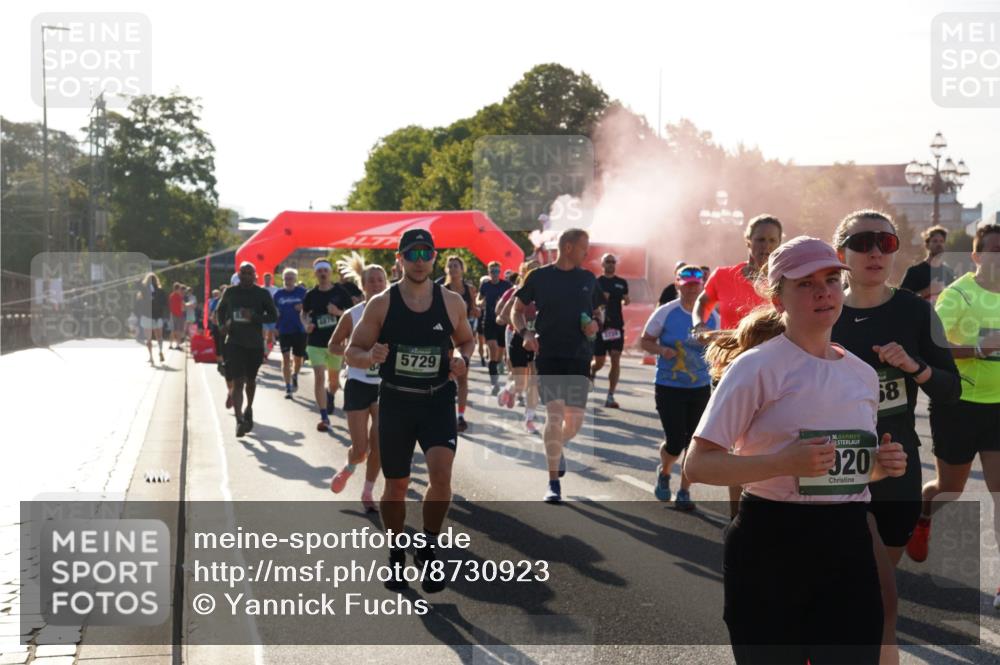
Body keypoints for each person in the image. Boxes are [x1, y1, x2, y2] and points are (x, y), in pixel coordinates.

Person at [684, 236, 907, 665]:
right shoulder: (756, 366)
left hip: (847, 543)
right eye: (805, 283)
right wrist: (782, 463)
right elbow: (698, 465)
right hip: (771, 544)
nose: (823, 291)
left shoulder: (862, 374)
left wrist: (881, 465)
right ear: (777, 298)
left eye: (831, 279)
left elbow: (849, 473)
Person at [830, 210, 961, 660]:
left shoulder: (916, 312)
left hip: (896, 465)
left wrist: (914, 367)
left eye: (885, 243)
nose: (874, 252)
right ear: (841, 254)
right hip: (832, 466)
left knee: (876, 582)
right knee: (862, 592)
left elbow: (951, 389)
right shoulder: (822, 309)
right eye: (862, 242)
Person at [346, 228, 474, 593]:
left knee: (441, 475)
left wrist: (463, 359)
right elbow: (353, 351)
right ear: (399, 259)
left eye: (425, 254)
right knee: (397, 484)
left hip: (437, 399)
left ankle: (429, 548)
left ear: (434, 258)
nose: (419, 261)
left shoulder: (451, 302)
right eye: (412, 254)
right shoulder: (382, 303)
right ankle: (395, 553)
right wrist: (370, 356)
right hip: (397, 402)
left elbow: (467, 340)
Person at [906, 224, 1000, 607]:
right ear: (976, 256)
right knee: (950, 488)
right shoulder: (959, 294)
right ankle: (922, 515)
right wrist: (977, 348)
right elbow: (934, 345)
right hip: (957, 406)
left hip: (998, 408)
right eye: (993, 250)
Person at [693, 214, 783, 518]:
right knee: (735, 449)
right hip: (729, 368)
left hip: (774, 372)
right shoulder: (723, 275)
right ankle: (738, 518)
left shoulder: (785, 279)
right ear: (748, 241)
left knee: (769, 445)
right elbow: (703, 301)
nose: (766, 246)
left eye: (772, 240)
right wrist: (699, 324)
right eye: (760, 240)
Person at [513, 228, 602, 503]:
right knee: (554, 415)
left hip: (579, 357)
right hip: (549, 354)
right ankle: (553, 483)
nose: (587, 253)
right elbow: (516, 311)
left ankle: (557, 445)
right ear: (568, 247)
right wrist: (526, 334)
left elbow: (599, 313)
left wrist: (594, 325)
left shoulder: (588, 279)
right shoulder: (539, 277)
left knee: (574, 422)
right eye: (584, 248)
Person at [641, 264, 718, 510]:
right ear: (678, 285)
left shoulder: (712, 316)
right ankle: (664, 472)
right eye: (687, 286)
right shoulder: (666, 312)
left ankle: (684, 491)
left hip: (700, 387)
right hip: (669, 386)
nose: (692, 290)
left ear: (702, 286)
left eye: (696, 286)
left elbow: (718, 347)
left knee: (693, 443)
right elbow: (645, 341)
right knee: (674, 442)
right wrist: (661, 350)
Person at [328, 254, 387, 512]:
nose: (376, 284)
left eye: (380, 280)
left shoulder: (395, 312)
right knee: (361, 449)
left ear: (386, 283)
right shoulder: (352, 315)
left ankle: (368, 491)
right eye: (371, 280)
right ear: (362, 286)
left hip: (385, 385)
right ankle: (350, 466)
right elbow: (332, 345)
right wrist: (356, 354)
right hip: (358, 383)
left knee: (380, 443)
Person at [215, 261, 278, 437]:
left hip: (254, 344)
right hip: (234, 342)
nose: (246, 276)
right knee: (238, 382)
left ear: (255, 276)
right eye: (243, 273)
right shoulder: (230, 292)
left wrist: (254, 317)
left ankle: (248, 408)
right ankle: (239, 420)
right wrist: (222, 325)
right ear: (239, 274)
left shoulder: (262, 294)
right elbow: (220, 310)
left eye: (250, 273)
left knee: (250, 381)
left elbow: (273, 316)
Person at [301, 258, 354, 431]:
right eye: (319, 271)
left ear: (330, 273)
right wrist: (306, 325)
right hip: (315, 342)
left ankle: (330, 395)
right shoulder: (311, 294)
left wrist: (337, 312)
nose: (323, 273)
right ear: (315, 274)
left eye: (325, 270)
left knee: (333, 381)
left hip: (336, 342)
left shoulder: (340, 292)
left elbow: (352, 313)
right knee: (319, 377)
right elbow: (303, 313)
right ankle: (324, 416)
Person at [496, 260, 542, 433]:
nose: (536, 273)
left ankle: (529, 418)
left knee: (535, 381)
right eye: (531, 270)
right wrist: (519, 324)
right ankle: (509, 390)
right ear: (524, 273)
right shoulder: (518, 292)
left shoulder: (545, 292)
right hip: (519, 338)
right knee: (521, 383)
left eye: (538, 269)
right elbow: (501, 316)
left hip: (538, 339)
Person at [440, 255, 480, 432]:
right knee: (447, 376)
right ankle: (444, 413)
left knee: (463, 376)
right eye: (450, 266)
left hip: (464, 337)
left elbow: (474, 309)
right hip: (447, 337)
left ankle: (460, 416)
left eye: (456, 266)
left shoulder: (468, 289)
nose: (453, 269)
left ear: (462, 269)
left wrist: (475, 311)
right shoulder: (442, 290)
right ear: (446, 269)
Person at [591, 253, 630, 408]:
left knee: (615, 357)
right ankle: (592, 370)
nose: (611, 264)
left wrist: (626, 300)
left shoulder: (621, 282)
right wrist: (601, 299)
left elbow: (626, 299)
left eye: (613, 262)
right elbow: (589, 301)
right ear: (602, 264)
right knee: (599, 362)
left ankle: (610, 395)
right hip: (601, 326)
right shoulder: (597, 282)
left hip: (616, 326)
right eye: (608, 261)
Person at [478, 261, 513, 395]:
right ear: (489, 272)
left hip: (502, 322)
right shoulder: (485, 285)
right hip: (489, 321)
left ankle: (496, 368)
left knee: (499, 354)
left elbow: (513, 300)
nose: (495, 274)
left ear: (500, 272)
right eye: (492, 271)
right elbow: (478, 299)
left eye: (497, 271)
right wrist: (481, 302)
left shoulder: (506, 285)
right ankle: (494, 383)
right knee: (492, 349)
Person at [273, 268, 308, 399]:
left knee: (298, 359)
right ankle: (288, 387)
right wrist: (275, 327)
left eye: (291, 277)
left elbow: (311, 308)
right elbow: (274, 312)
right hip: (284, 330)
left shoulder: (302, 292)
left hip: (300, 330)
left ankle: (295, 374)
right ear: (283, 278)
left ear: (295, 279)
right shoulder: (278, 294)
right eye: (286, 277)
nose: (288, 279)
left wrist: (303, 307)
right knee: (286, 358)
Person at [900, 225, 956, 303]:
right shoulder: (914, 272)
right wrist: (928, 290)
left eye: (942, 241)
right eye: (935, 241)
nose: (939, 244)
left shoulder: (949, 272)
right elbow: (903, 299)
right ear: (927, 245)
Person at [137, 273, 168, 365]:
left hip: (147, 316)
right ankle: (160, 351)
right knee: (159, 337)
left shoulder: (144, 290)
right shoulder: (161, 291)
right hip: (158, 317)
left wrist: (139, 279)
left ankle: (151, 357)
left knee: (148, 339)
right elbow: (165, 303)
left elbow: (138, 285)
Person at [262, 272, 280, 356]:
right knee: (262, 335)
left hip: (272, 315)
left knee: (270, 337)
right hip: (263, 315)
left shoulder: (275, 289)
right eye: (266, 279)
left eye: (269, 279)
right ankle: (263, 353)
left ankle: (267, 352)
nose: (267, 280)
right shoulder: (261, 289)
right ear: (263, 279)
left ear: (271, 279)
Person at [168, 282, 186, 350]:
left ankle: (172, 344)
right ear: (177, 289)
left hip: (175, 314)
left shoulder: (172, 295)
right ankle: (177, 345)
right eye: (179, 289)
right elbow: (183, 305)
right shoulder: (177, 296)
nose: (180, 290)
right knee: (177, 330)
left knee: (174, 330)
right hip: (177, 315)